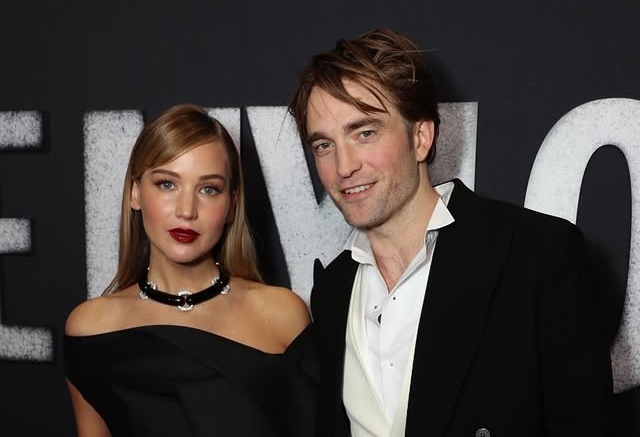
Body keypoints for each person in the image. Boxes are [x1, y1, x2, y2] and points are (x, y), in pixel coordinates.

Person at [289, 29, 612, 436]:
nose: (343, 166)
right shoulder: (333, 289)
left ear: (421, 138)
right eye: (324, 145)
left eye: (365, 133)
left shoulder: (535, 255)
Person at [64, 104, 316, 437]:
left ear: (231, 205)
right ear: (135, 193)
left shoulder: (282, 314)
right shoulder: (92, 329)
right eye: (167, 184)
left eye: (209, 189)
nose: (187, 211)